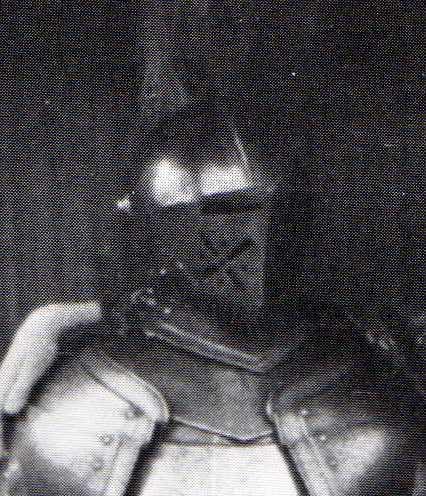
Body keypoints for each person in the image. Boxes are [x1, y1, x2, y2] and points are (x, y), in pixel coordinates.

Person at [0, 100, 424, 496]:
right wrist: (71, 317)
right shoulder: (76, 400)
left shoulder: (381, 359)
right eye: (225, 213)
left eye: (275, 211)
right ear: (160, 225)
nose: (254, 234)